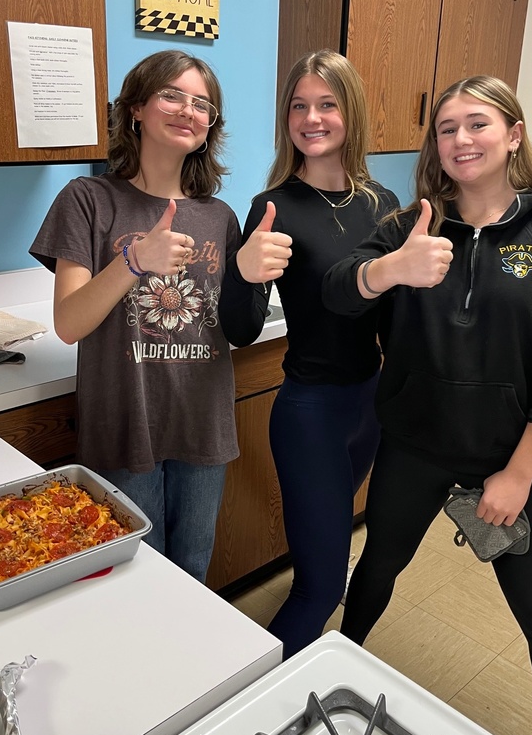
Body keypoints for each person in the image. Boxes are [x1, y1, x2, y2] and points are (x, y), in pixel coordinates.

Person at [323, 74, 532, 735]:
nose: (460, 140)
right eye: (447, 128)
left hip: (512, 462)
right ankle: (332, 672)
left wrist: (517, 476)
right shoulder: (407, 226)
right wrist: (390, 270)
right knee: (378, 568)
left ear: (513, 135)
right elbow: (337, 290)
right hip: (414, 448)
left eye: (477, 124)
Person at [30, 49, 251, 584]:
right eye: (172, 95)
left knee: (193, 566)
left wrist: (256, 273)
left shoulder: (219, 216)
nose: (187, 110)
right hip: (126, 421)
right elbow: (69, 323)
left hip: (202, 423)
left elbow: (234, 324)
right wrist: (133, 260)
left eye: (202, 104)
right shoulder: (87, 200)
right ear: (135, 109)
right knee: (136, 575)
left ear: (209, 127)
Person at [219, 49, 399, 659]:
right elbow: (240, 330)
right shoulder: (275, 206)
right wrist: (242, 272)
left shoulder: (380, 202)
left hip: (368, 408)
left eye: (327, 104)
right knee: (322, 587)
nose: (312, 118)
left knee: (326, 559)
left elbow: (396, 317)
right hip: (310, 413)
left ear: (351, 112)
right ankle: (256, 709)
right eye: (299, 106)